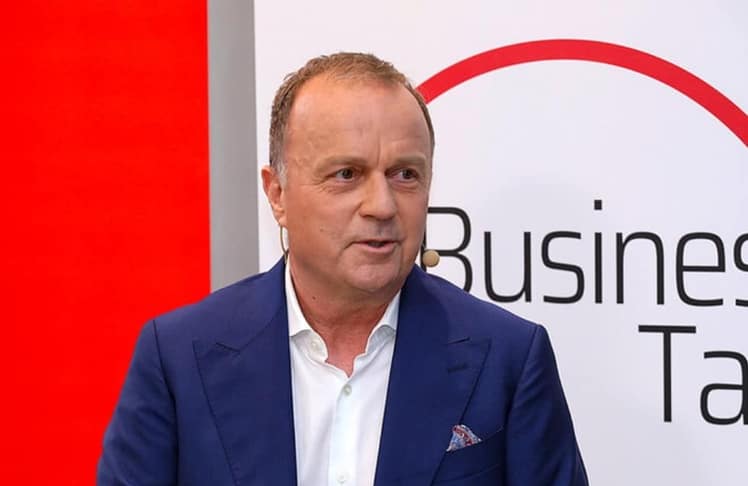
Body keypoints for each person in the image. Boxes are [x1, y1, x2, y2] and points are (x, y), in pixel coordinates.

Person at [98, 52, 588, 485]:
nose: (382, 205)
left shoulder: (508, 358)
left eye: (405, 174)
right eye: (346, 174)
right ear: (278, 194)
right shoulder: (178, 358)